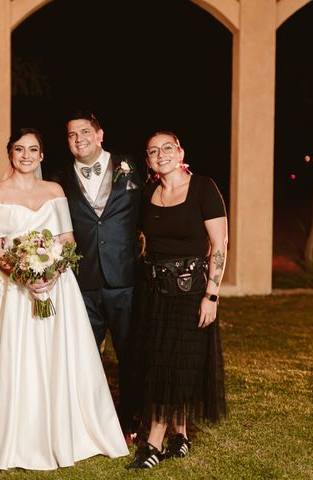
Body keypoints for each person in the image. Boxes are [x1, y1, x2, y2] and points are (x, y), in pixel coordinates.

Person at [0, 127, 128, 470]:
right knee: (11, 355)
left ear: (42, 156)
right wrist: (24, 276)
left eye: (33, 150)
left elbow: (67, 238)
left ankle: (64, 429)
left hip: (57, 287)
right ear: (11, 154)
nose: (26, 156)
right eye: (19, 149)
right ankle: (11, 435)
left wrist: (50, 272)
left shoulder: (54, 189)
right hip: (11, 291)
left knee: (56, 355)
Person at [126, 131, 227, 469]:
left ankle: (152, 443)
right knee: (159, 360)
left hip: (191, 293)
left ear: (180, 151)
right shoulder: (148, 194)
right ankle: (180, 435)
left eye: (167, 147)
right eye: (153, 150)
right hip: (154, 292)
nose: (161, 154)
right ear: (149, 160)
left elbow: (220, 247)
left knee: (179, 361)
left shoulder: (204, 188)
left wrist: (211, 295)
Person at [59, 110, 142, 442]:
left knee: (129, 354)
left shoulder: (131, 166)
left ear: (99, 134)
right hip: (82, 280)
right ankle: (86, 421)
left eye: (84, 132)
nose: (79, 139)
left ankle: (130, 420)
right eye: (71, 135)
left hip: (125, 277)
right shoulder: (58, 178)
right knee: (83, 355)